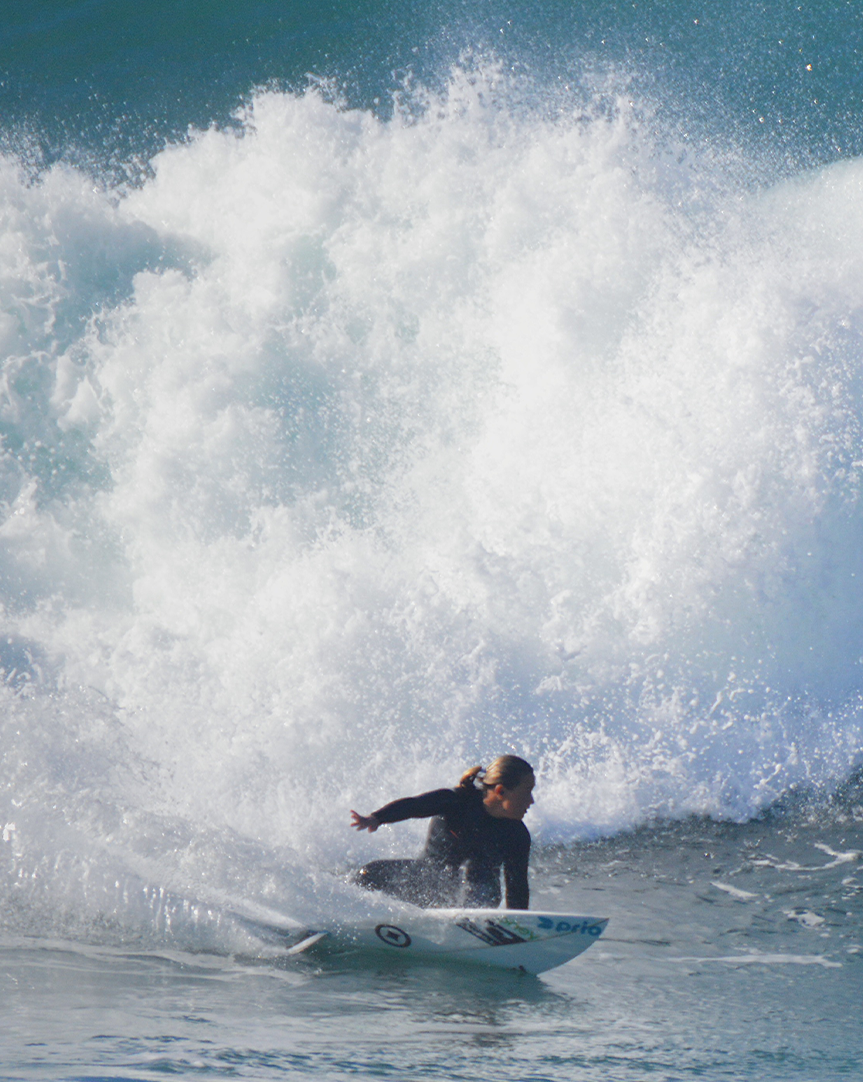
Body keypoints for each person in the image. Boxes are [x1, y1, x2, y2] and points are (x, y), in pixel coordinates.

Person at [349, 755, 535, 909]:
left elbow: (517, 889)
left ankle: (471, 930)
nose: (531, 800)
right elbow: (414, 806)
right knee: (368, 874)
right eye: (527, 791)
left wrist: (519, 929)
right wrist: (376, 818)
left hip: (478, 899)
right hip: (429, 880)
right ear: (501, 791)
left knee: (478, 888)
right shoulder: (458, 802)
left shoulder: (517, 835)